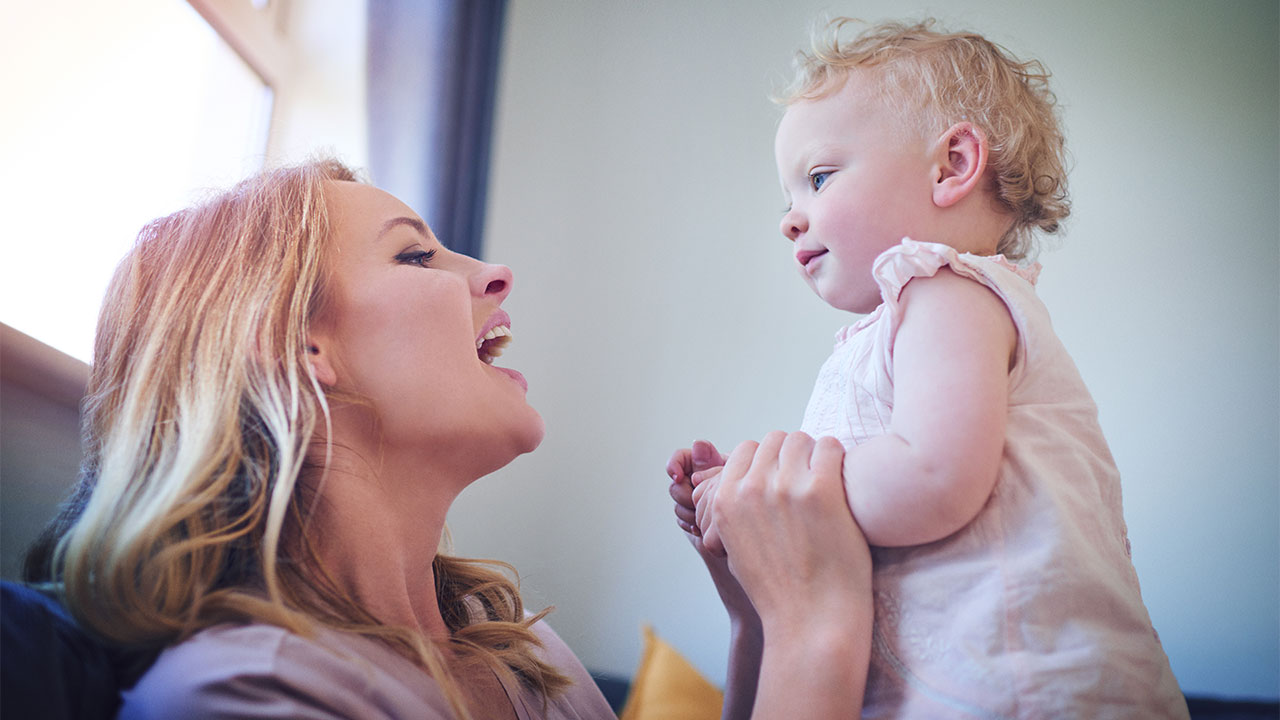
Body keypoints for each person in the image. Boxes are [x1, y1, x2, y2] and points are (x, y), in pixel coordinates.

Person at [20, 158, 873, 719]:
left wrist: (756, 623)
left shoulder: (522, 648)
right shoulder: (245, 693)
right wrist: (816, 628)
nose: (494, 273)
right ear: (296, 345)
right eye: (417, 258)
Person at [668, 18, 1189, 719]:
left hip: (1025, 690)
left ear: (952, 165)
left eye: (818, 178)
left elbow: (933, 478)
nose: (791, 219)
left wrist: (785, 489)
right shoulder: (908, 319)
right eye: (788, 199)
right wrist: (753, 503)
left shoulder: (949, 292)